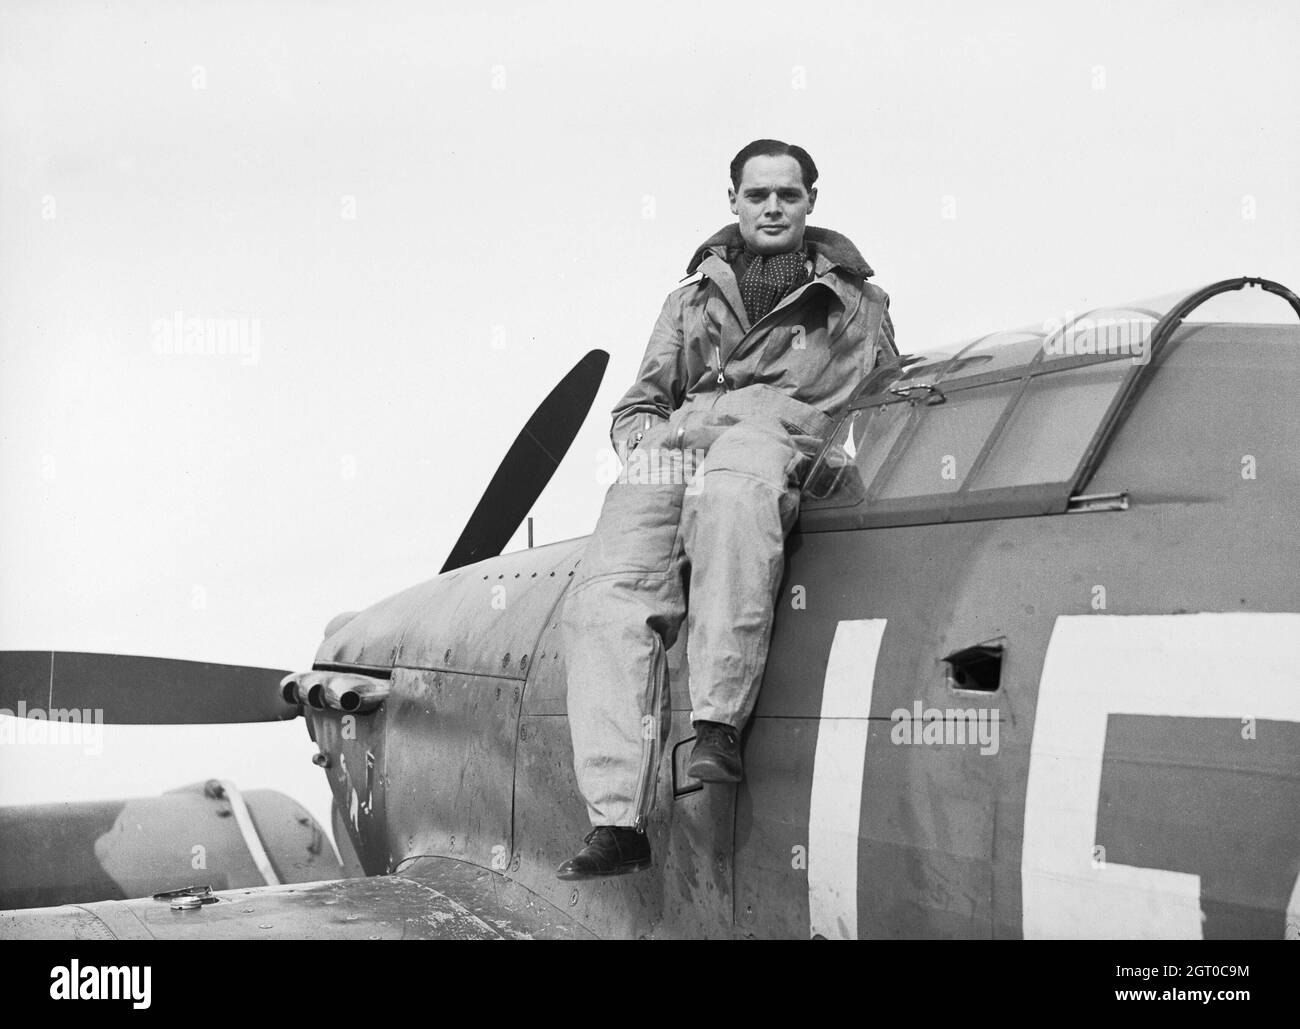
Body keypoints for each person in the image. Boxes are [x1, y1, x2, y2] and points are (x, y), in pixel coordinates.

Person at [557, 139, 895, 880]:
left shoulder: (860, 305)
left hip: (776, 436)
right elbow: (641, 400)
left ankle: (717, 724)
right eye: (758, 194)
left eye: (788, 194)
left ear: (810, 201)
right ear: (734, 202)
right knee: (606, 592)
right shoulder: (690, 299)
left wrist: (835, 461)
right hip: (681, 442)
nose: (772, 207)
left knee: (736, 500)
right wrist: (646, 449)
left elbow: (886, 404)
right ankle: (616, 819)